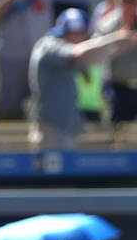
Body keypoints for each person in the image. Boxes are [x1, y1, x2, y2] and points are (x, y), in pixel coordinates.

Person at [28, 9, 137, 150]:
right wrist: (116, 37)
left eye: (79, 32)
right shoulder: (48, 44)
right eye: (72, 32)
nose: (76, 37)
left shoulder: (66, 51)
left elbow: (96, 57)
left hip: (66, 127)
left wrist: (127, 43)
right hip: (50, 127)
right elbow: (78, 53)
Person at [93, 0, 137, 122]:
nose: (129, 6)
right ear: (118, 1)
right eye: (125, 1)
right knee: (115, 135)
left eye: (132, 1)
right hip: (117, 89)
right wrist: (119, 43)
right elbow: (94, 53)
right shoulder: (108, 24)